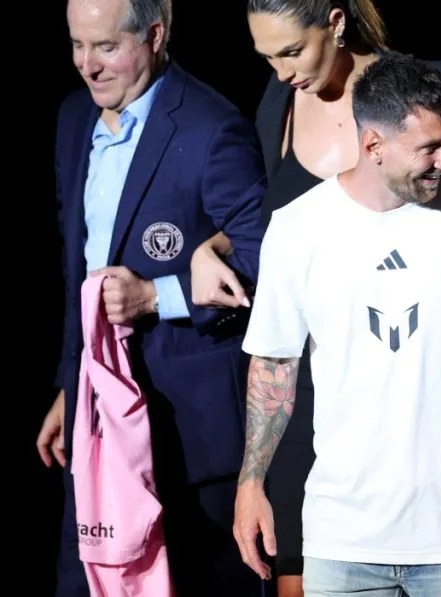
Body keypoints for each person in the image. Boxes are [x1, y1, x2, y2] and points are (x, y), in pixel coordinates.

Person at [187, 2, 441, 595]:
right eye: (267, 57)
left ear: (334, 23)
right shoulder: (279, 104)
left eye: (291, 51)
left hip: (420, 403)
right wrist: (213, 247)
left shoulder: (435, 88)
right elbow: (278, 229)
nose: (281, 70)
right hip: (304, 397)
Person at [233, 52, 441, 597]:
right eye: (429, 148)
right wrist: (251, 482)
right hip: (344, 540)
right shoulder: (298, 228)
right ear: (373, 146)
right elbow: (273, 362)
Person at [37, 0, 267, 595]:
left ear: (156, 35)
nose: (87, 65)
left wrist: (157, 296)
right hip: (100, 420)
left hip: (187, 431)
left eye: (106, 47)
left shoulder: (211, 126)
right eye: (77, 46)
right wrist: (72, 383)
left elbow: (264, 254)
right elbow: (77, 274)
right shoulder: (73, 120)